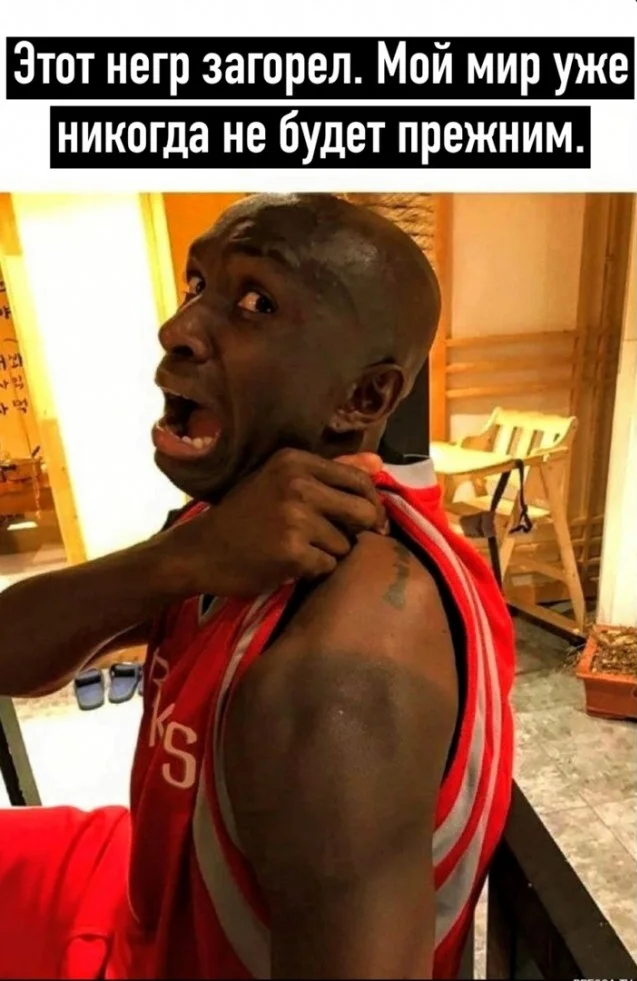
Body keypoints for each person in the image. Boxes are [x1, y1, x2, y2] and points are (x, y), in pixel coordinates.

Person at [0, 193, 514, 980]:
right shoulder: (227, 526)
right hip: (139, 891)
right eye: (198, 284)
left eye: (256, 303)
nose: (177, 328)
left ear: (363, 398)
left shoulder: (337, 671)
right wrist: (180, 557)